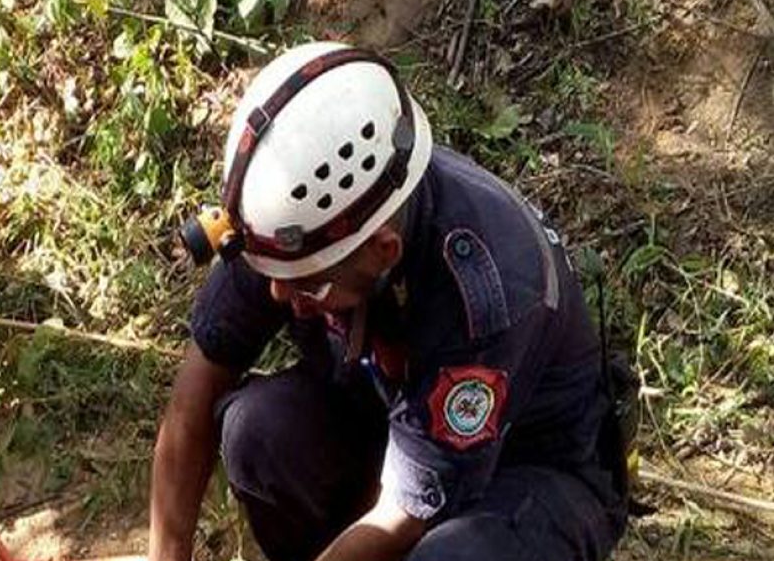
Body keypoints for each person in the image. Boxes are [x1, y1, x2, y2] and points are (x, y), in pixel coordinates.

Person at [148, 43, 627, 561]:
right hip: (391, 429)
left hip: (527, 473)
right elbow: (193, 398)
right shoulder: (284, 231)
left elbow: (404, 513)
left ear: (383, 251)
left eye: (308, 284)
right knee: (258, 431)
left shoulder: (490, 287)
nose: (279, 295)